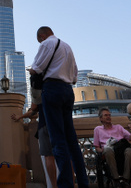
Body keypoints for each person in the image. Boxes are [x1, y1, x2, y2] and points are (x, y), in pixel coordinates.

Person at [28, 26, 90, 188]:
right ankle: (83, 182)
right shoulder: (67, 47)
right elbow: (75, 76)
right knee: (71, 140)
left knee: (57, 140)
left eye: (39, 39)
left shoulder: (46, 44)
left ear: (42, 36)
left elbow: (36, 69)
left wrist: (31, 71)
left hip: (52, 90)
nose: (40, 42)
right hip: (68, 91)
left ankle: (65, 184)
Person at [11, 87, 57, 188]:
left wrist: (20, 116)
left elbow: (33, 110)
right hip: (61, 125)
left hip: (45, 126)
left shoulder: (41, 89)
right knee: (65, 157)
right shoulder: (60, 86)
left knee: (48, 157)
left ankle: (53, 186)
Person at [93, 108, 131, 186]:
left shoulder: (118, 127)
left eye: (109, 115)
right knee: (108, 149)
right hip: (108, 151)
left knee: (129, 151)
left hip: (120, 150)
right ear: (101, 118)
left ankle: (126, 178)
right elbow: (97, 147)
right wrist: (102, 150)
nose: (108, 117)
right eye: (106, 115)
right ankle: (116, 179)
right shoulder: (97, 129)